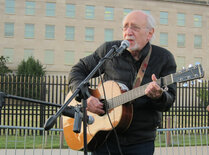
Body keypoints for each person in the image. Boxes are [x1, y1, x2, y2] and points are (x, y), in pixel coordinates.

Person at [68, 10, 177, 155]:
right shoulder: (109, 51)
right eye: (125, 27)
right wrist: (87, 97)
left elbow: (169, 101)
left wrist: (159, 96)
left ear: (150, 33)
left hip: (141, 141)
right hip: (104, 137)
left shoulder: (164, 58)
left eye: (135, 27)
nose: (128, 32)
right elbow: (78, 70)